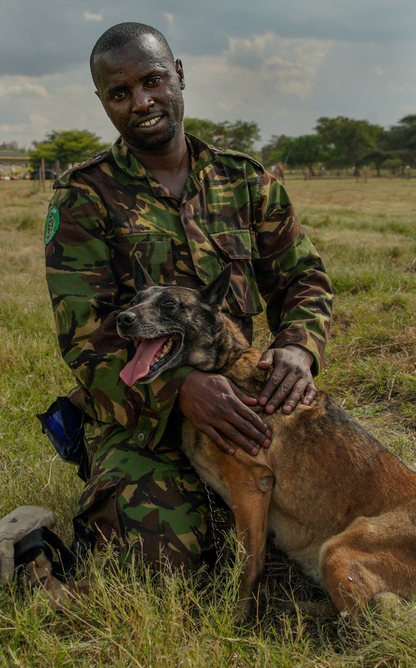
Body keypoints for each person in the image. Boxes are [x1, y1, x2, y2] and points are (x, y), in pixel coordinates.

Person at [43, 22, 333, 570]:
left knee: (323, 511)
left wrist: (298, 347)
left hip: (244, 399)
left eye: (152, 81)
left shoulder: (245, 181)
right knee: (167, 560)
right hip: (140, 414)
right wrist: (180, 389)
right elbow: (86, 339)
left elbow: (304, 280)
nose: (142, 102)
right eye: (120, 93)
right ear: (104, 102)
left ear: (178, 75)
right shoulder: (85, 196)